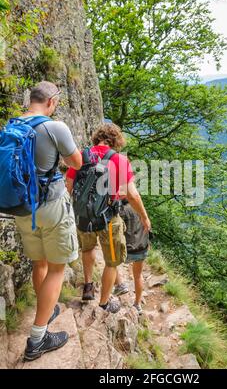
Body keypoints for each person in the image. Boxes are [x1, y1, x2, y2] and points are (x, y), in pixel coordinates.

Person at [15, 81, 82, 361]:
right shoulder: (55, 127)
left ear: (31, 99)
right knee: (56, 269)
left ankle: (47, 307)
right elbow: (76, 162)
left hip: (21, 207)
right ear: (52, 102)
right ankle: (37, 340)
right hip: (51, 205)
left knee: (38, 262)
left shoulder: (11, 127)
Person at [66, 123, 151, 314]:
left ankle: (88, 286)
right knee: (112, 261)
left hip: (82, 217)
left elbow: (68, 186)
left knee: (87, 249)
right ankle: (104, 303)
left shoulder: (81, 155)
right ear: (116, 141)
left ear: (97, 138)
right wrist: (144, 217)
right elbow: (132, 195)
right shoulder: (119, 160)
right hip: (107, 220)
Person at [114, 200, 150, 315]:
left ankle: (120, 284)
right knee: (138, 275)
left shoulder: (121, 210)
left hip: (127, 250)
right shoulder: (140, 208)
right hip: (141, 247)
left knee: (110, 263)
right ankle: (137, 304)